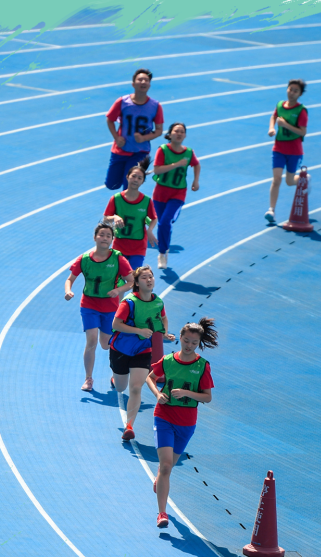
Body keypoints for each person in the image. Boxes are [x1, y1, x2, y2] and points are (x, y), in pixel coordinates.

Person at [146, 317, 218, 528]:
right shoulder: (168, 361)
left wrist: (187, 393)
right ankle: (162, 513)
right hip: (164, 416)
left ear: (199, 343)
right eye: (186, 340)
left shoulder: (202, 366)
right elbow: (150, 377)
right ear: (180, 338)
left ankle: (160, 478)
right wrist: (157, 394)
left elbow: (207, 397)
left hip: (186, 423)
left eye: (194, 343)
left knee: (168, 467)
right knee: (166, 466)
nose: (189, 345)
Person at [65, 222, 134, 391]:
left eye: (108, 236)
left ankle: (118, 370)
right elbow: (70, 279)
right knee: (91, 341)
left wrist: (118, 290)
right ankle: (88, 379)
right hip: (89, 305)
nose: (104, 238)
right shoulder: (84, 259)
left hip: (110, 307)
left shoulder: (118, 259)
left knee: (106, 344)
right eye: (101, 234)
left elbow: (131, 281)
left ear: (112, 239)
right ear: (95, 237)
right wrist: (68, 291)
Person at [109, 266, 175, 441]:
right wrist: (139, 330)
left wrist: (164, 333)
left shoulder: (158, 302)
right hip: (121, 349)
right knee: (121, 387)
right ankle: (115, 377)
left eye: (150, 277)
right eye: (144, 278)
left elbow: (163, 318)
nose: (149, 280)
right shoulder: (129, 303)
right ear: (137, 283)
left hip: (143, 349)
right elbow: (116, 325)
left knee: (136, 387)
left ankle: (129, 426)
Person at [105, 69, 165, 191]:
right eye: (140, 79)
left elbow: (159, 130)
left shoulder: (155, 106)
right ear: (133, 84)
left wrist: (144, 138)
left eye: (146, 80)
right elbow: (110, 119)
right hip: (121, 149)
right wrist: (117, 137)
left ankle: (126, 203)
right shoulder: (122, 102)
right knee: (112, 184)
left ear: (149, 85)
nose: (143, 82)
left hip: (140, 152)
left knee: (129, 186)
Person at [152, 123, 200, 268]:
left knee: (165, 222)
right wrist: (177, 164)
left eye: (182, 132)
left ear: (185, 135)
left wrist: (196, 181)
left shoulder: (189, 152)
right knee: (163, 223)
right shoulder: (163, 150)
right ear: (170, 134)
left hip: (178, 193)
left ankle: (162, 253)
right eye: (176, 131)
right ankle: (164, 249)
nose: (179, 134)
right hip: (160, 193)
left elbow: (196, 164)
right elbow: (157, 170)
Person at [265, 79, 308, 223]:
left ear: (300, 94)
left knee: (289, 181)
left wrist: (285, 125)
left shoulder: (301, 111)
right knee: (276, 179)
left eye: (296, 91)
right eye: (290, 89)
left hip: (294, 151)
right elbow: (274, 116)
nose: (292, 93)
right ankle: (271, 210)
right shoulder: (280, 105)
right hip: (279, 148)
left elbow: (302, 132)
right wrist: (272, 128)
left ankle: (304, 179)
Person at [104, 157, 158, 270]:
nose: (136, 180)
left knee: (134, 276)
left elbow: (154, 218)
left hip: (138, 247)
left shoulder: (146, 201)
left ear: (143, 181)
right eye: (133, 176)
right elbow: (105, 219)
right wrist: (115, 217)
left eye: (139, 178)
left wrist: (150, 230)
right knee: (117, 276)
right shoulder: (116, 199)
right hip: (119, 245)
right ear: (127, 177)